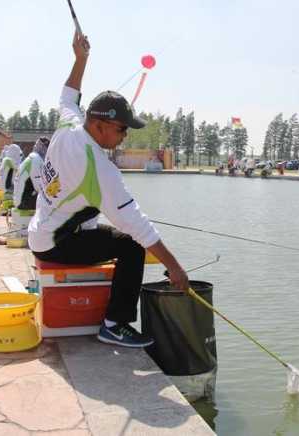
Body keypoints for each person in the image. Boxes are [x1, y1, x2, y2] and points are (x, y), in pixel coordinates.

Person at [28, 32, 188, 348]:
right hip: (55, 244)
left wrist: (80, 59)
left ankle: (113, 316)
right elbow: (138, 225)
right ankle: (115, 324)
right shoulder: (99, 170)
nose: (125, 136)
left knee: (114, 233)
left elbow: (67, 96)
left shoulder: (69, 125)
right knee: (131, 246)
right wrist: (175, 267)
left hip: (43, 231)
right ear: (99, 125)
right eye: (121, 129)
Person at [13, 137, 49, 210]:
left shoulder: (32, 157)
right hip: (23, 203)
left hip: (19, 200)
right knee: (53, 201)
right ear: (44, 148)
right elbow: (39, 187)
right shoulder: (36, 160)